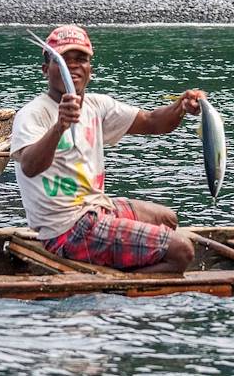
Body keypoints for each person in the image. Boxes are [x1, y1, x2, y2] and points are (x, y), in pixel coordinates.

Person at [11, 24, 206, 273]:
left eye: (80, 59)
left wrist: (181, 107)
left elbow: (153, 122)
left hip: (96, 209)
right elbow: (29, 165)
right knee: (182, 251)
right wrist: (59, 126)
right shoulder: (33, 114)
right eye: (62, 61)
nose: (72, 66)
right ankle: (117, 288)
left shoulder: (96, 105)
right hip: (66, 229)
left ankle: (122, 263)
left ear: (90, 70)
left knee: (168, 219)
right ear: (45, 70)